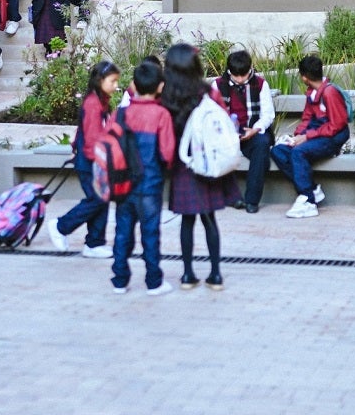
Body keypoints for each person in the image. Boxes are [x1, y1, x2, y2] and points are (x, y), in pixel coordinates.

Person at [163, 44, 240, 291]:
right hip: (208, 163)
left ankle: (187, 275)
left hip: (182, 165)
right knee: (209, 220)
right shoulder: (207, 93)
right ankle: (215, 274)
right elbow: (223, 121)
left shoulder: (166, 97)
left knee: (187, 221)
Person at [109, 58, 176, 295]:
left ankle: (119, 279)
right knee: (150, 232)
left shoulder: (119, 114)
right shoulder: (161, 115)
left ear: (134, 87)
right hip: (150, 184)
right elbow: (168, 153)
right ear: (160, 87)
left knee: (122, 231)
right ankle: (153, 281)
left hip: (122, 184)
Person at [46, 61, 119, 259]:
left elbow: (83, 131)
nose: (115, 85)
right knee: (96, 199)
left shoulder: (99, 101)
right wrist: (97, 161)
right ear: (100, 80)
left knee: (101, 200)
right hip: (91, 162)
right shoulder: (93, 104)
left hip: (94, 160)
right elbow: (92, 137)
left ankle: (94, 243)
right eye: (112, 81)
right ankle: (61, 226)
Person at [271, 55, 349, 220]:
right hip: (316, 134)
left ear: (304, 77)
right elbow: (307, 118)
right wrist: (297, 136)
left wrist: (306, 137)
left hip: (332, 138)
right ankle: (311, 189)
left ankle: (308, 200)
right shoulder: (311, 93)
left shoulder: (330, 93)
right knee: (278, 151)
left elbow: (336, 126)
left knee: (299, 153)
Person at [211, 50, 274, 214]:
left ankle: (252, 201)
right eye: (235, 76)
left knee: (262, 145)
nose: (240, 80)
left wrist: (255, 129)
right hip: (226, 134)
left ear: (250, 69)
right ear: (229, 72)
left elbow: (268, 115)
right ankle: (231, 197)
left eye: (243, 75)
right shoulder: (217, 85)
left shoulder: (260, 84)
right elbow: (212, 115)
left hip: (252, 131)